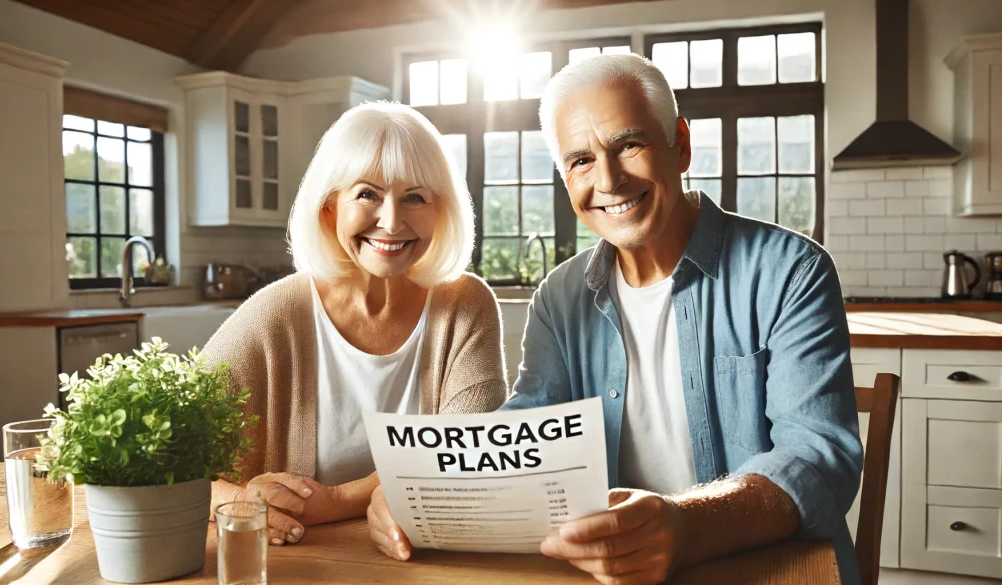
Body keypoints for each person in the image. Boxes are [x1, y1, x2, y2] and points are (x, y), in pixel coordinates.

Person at [367, 54, 863, 585]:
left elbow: (818, 458)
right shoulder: (559, 296)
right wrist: (416, 493)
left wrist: (686, 527)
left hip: (769, 570)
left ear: (681, 145)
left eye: (629, 144)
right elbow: (525, 433)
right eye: (580, 159)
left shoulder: (791, 270)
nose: (609, 180)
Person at [204, 102, 508, 547]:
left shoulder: (465, 304)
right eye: (368, 194)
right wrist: (239, 499)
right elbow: (162, 463)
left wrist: (337, 500)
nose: (391, 221)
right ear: (330, 208)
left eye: (415, 197)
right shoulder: (275, 314)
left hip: (422, 565)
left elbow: (467, 455)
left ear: (440, 210)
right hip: (298, 567)